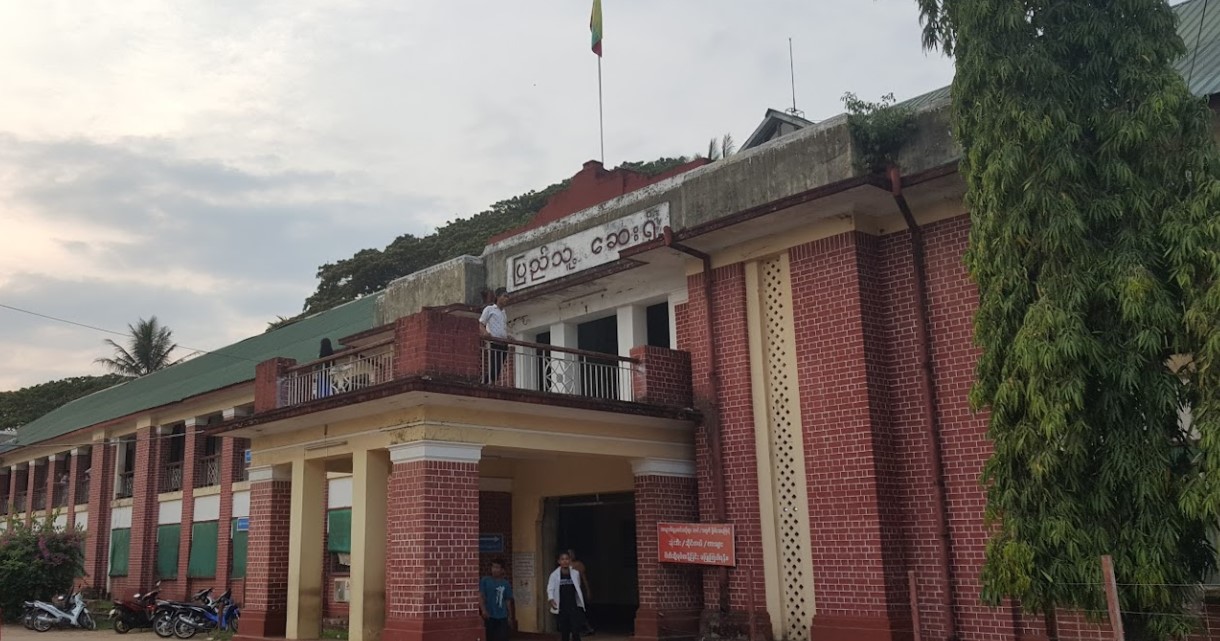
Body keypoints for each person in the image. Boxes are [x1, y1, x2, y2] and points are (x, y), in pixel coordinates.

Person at [547, 551, 587, 641]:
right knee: (565, 631)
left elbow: (577, 587)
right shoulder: (554, 575)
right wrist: (551, 599)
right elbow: (550, 588)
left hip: (573, 606)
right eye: (562, 559)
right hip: (562, 607)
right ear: (559, 561)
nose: (565, 561)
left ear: (570, 560)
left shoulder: (575, 573)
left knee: (576, 630)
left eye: (567, 559)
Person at [479, 288, 510, 385]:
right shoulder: (490, 309)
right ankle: (484, 383)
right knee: (494, 367)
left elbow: (502, 328)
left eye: (507, 297)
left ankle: (491, 384)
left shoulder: (504, 313)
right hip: (494, 342)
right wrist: (485, 333)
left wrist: (507, 336)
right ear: (498, 297)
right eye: (504, 296)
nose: (507, 299)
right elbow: (481, 323)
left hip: (503, 343)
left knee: (498, 369)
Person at [479, 558, 515, 641]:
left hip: (502, 616)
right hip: (490, 616)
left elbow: (508, 601)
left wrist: (510, 616)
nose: (494, 570)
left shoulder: (505, 584)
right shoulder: (485, 580)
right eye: (493, 567)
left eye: (497, 567)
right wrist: (483, 610)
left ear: (502, 570)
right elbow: (480, 595)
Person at [566, 550, 595, 636]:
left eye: (572, 553)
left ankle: (586, 628)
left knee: (578, 610)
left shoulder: (578, 565)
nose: (571, 555)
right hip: (567, 591)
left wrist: (588, 590)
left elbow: (584, 578)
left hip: (576, 591)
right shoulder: (564, 566)